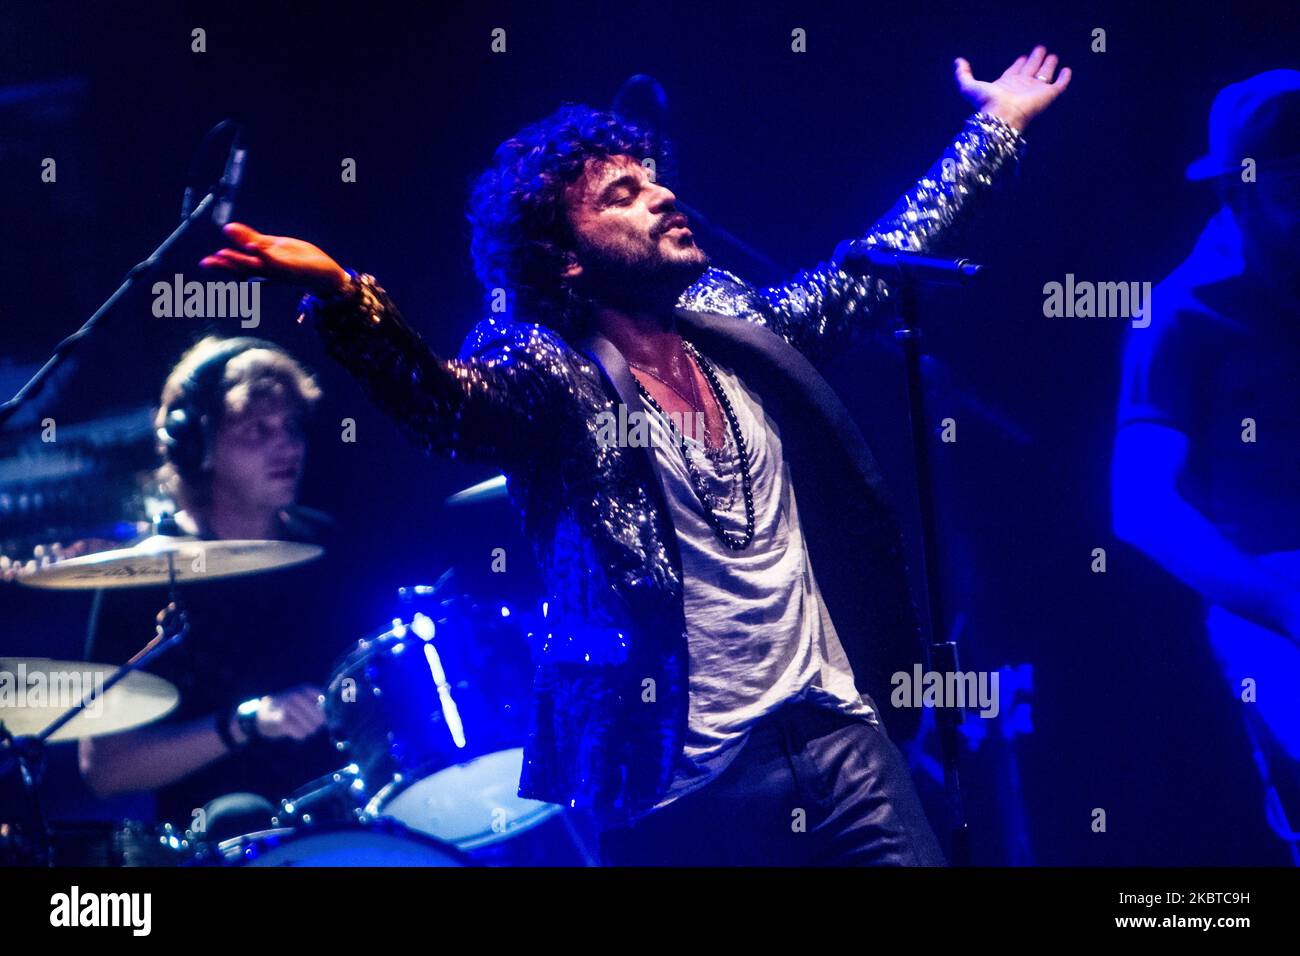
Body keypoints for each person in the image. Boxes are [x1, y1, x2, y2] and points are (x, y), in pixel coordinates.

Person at [200, 46, 1070, 865]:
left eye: (654, 179)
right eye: (621, 193)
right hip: (681, 783)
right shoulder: (546, 366)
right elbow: (447, 408)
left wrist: (995, 128)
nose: (659, 196)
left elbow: (869, 277)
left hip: (838, 734)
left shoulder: (733, 324)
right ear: (565, 262)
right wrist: (348, 302)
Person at [1112, 70, 1300, 857]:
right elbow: (1141, 506)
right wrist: (1285, 607)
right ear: (1241, 191)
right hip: (1272, 597)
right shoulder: (1183, 312)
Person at [79, 336, 355, 842]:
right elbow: (106, 769)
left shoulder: (325, 544)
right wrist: (245, 723)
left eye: (292, 428)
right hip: (217, 841)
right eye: (258, 430)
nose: (287, 446)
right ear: (197, 446)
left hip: (344, 823)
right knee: (237, 814)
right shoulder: (142, 578)